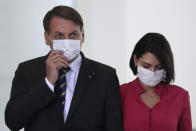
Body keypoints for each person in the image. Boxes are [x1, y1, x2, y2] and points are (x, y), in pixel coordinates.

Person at [5, 6, 123, 131]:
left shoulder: (105, 76)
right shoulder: (27, 70)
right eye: (59, 36)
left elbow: (113, 126)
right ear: (47, 38)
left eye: (73, 35)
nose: (67, 41)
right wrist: (48, 82)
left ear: (82, 36)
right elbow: (13, 121)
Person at [120, 33, 192, 131]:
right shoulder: (120, 93)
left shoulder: (180, 96)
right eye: (146, 66)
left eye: (159, 67)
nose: (152, 72)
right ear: (136, 59)